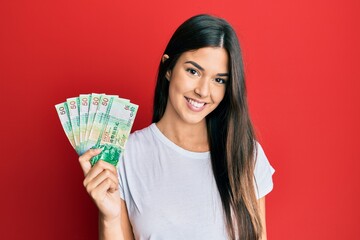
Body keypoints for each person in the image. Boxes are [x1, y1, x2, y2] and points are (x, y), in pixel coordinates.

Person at [79, 14, 275, 240]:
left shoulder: (246, 154)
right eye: (193, 71)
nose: (203, 90)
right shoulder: (125, 155)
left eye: (219, 80)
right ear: (168, 68)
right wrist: (110, 217)